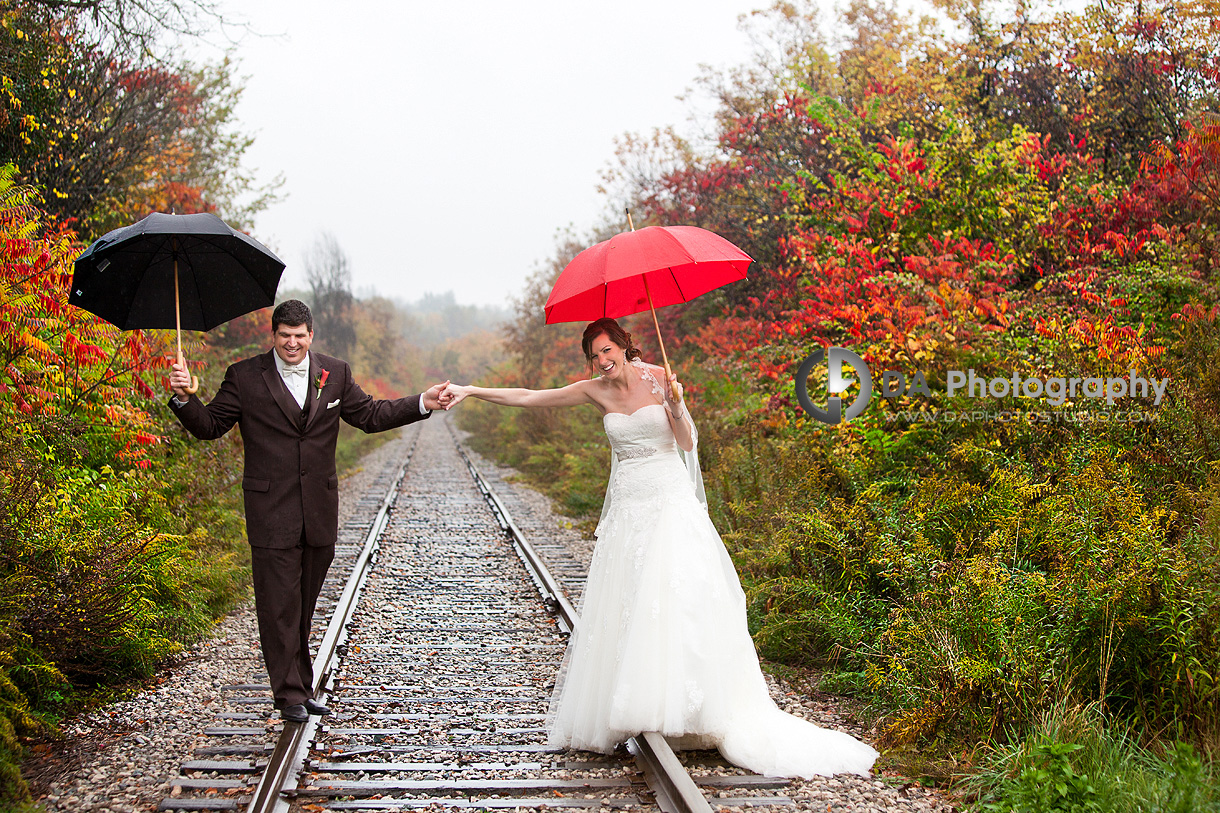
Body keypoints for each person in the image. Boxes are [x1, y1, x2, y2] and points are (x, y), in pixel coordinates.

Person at [441, 317, 878, 779]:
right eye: (595, 355)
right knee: (634, 606)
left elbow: (688, 443)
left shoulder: (662, 378)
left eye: (609, 350)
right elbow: (531, 398)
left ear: (625, 347)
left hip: (670, 502)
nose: (603, 361)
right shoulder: (595, 391)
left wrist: (677, 404)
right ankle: (647, 707)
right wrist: (471, 390)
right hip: (630, 510)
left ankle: (697, 711)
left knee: (680, 599)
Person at [168, 299, 449, 723]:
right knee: (278, 604)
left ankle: (299, 683)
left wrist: (421, 402)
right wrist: (184, 397)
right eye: (285, 336)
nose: (293, 343)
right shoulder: (244, 377)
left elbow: (370, 415)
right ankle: (289, 695)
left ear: (311, 336)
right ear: (274, 336)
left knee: (301, 605)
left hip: (319, 509)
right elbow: (209, 426)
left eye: (300, 336)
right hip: (270, 509)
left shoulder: (334, 373)